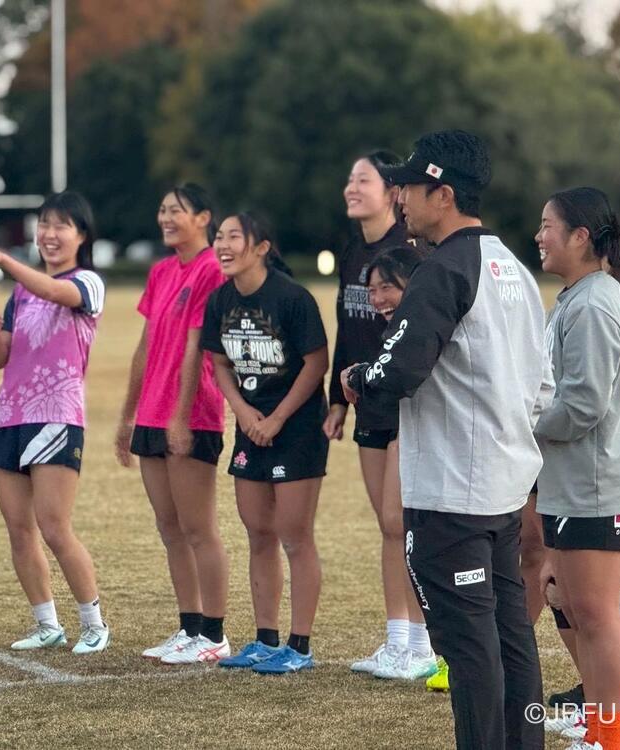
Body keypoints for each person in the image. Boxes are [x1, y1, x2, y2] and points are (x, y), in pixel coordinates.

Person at [341, 130, 547, 749]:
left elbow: (398, 370)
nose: (400, 197)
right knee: (510, 638)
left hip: (453, 495)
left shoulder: (443, 270)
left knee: (470, 649)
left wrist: (358, 380)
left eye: (409, 186)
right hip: (504, 487)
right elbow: (542, 386)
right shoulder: (514, 269)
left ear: (445, 194)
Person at [0, 191, 110, 655]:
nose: (49, 234)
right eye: (44, 225)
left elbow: (55, 292)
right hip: (10, 415)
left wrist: (3, 260)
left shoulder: (87, 282)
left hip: (56, 416)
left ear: (82, 235)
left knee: (54, 526)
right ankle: (47, 623)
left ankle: (94, 624)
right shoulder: (20, 292)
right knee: (19, 529)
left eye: (60, 226)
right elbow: (2, 358)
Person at [533, 187, 620, 750]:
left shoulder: (595, 303)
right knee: (578, 607)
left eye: (547, 225)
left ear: (581, 236)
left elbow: (582, 405)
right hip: (574, 484)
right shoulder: (579, 297)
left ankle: (611, 736)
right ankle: (602, 730)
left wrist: (524, 422)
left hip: (596, 487)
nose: (538, 236)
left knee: (598, 615)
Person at [199, 213, 327, 674]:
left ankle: (300, 646)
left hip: (295, 428)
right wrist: (242, 411)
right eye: (219, 237)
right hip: (251, 427)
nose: (223, 244)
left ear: (261, 247)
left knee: (295, 535)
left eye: (234, 236)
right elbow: (218, 363)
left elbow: (316, 363)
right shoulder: (221, 299)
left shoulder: (292, 298)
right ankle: (265, 639)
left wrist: (276, 418)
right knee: (258, 533)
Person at [326, 151, 435, 679]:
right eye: (349, 178)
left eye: (362, 179)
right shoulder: (353, 251)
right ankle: (399, 642)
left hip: (405, 404)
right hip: (365, 401)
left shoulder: (413, 251)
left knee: (402, 523)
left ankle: (423, 643)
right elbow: (346, 328)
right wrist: (336, 399)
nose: (351, 187)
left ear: (393, 191)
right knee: (389, 527)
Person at [115, 184, 231, 665]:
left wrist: (181, 416)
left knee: (198, 528)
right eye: (162, 209)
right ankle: (189, 627)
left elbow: (197, 347)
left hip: (193, 415)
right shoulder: (161, 271)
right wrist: (128, 414)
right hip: (152, 413)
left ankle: (215, 634)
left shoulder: (211, 269)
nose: (165, 218)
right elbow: (145, 345)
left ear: (203, 218)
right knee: (170, 528)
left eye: (176, 210)